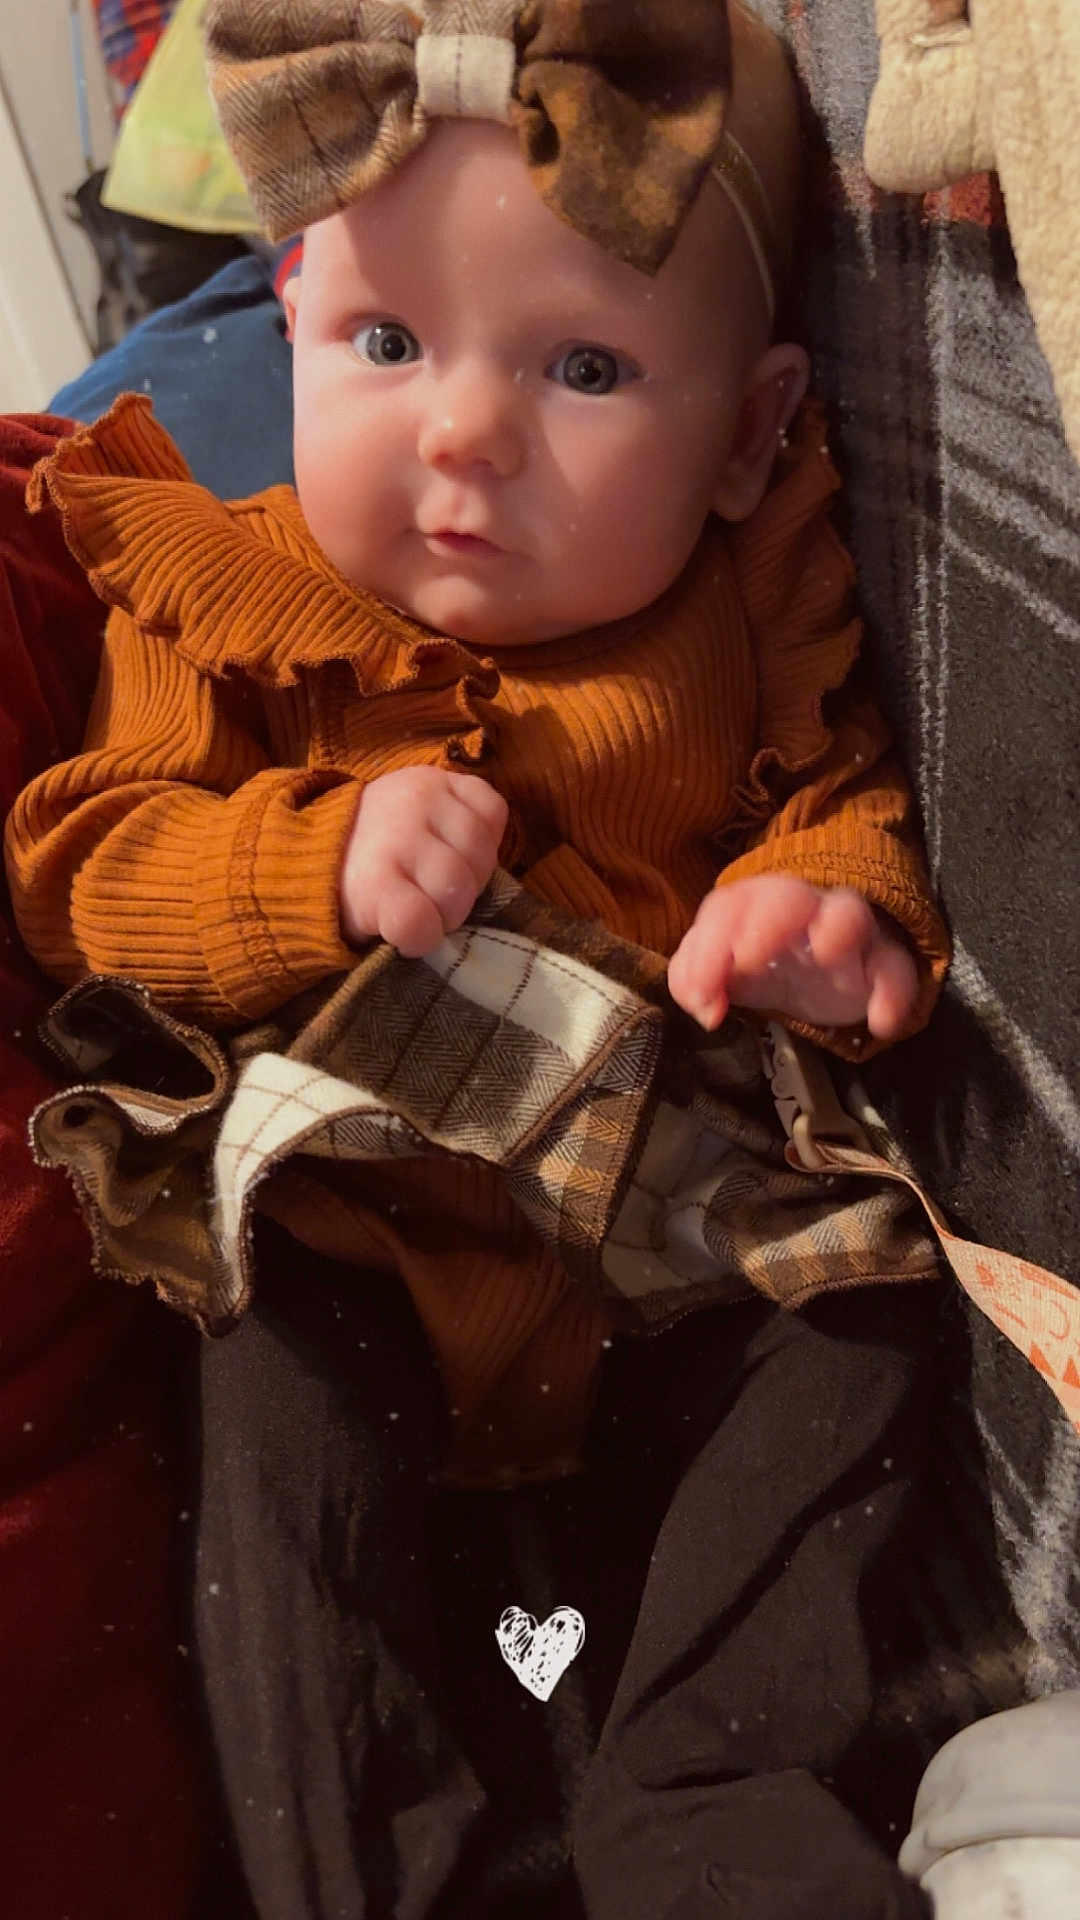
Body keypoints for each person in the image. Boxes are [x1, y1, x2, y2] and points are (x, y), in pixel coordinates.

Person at [3, 3, 949, 1913]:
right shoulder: (216, 591)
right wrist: (310, 859)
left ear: (753, 429)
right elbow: (81, 870)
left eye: (585, 365)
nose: (462, 431)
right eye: (384, 342)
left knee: (868, 1324)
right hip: (361, 1227)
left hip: (672, 1249)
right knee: (260, 1408)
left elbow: (838, 793)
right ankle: (375, 1859)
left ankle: (704, 1780)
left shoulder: (746, 606)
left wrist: (832, 916)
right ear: (287, 318)